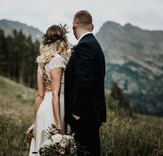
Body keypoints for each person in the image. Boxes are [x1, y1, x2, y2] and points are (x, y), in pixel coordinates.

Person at [65, 10, 107, 156]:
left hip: (84, 114)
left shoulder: (85, 46)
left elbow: (84, 81)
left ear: (74, 25)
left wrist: (76, 111)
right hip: (92, 113)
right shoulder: (95, 44)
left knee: (85, 151)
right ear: (92, 26)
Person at [26, 24, 71, 156]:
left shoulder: (42, 61)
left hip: (43, 108)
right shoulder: (57, 60)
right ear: (62, 40)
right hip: (55, 108)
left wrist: (35, 121)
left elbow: (40, 96)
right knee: (53, 147)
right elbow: (55, 94)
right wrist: (58, 124)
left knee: (43, 147)